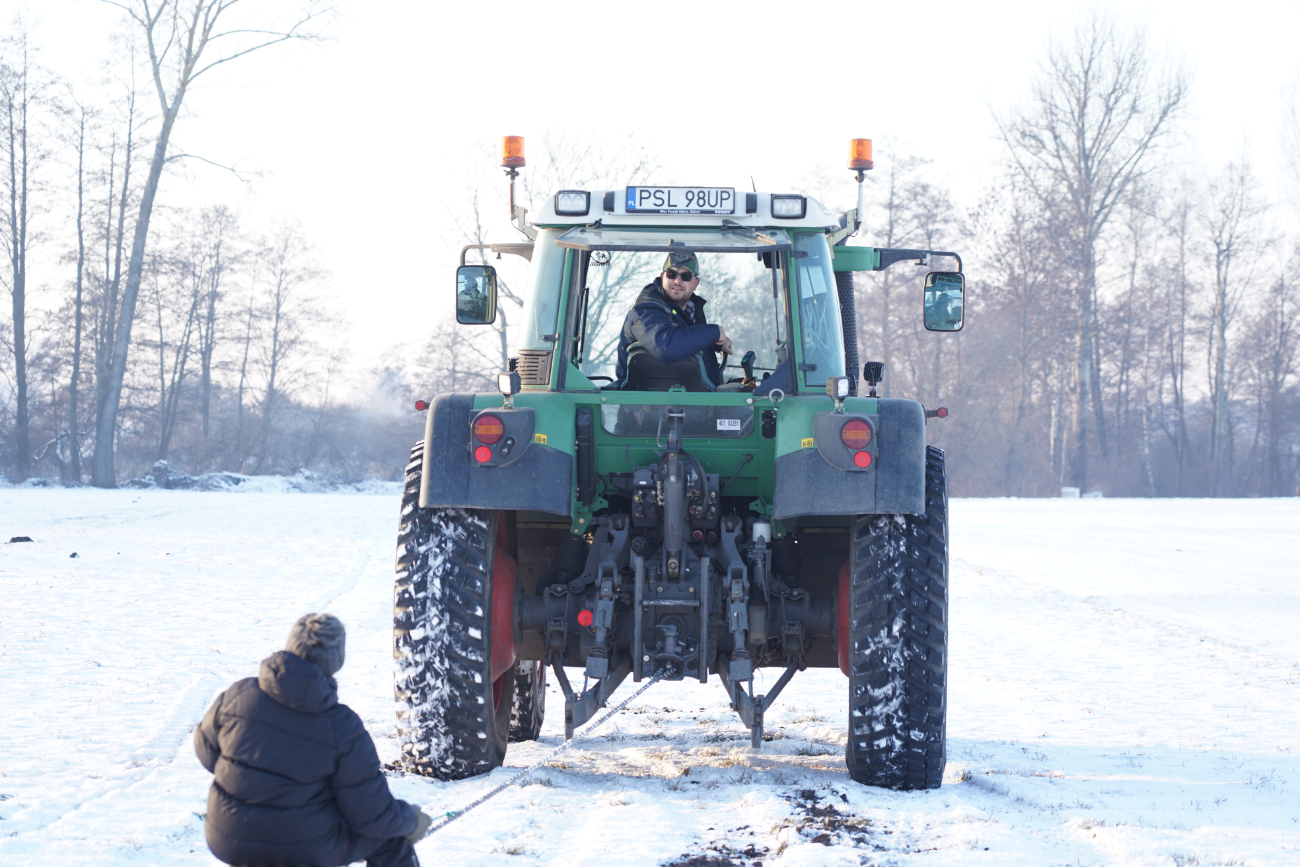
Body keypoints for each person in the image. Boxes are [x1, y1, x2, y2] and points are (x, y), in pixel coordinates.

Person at [195, 613, 432, 867]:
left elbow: (206, 751)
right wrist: (411, 820)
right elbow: (371, 816)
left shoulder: (237, 695)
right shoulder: (342, 726)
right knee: (391, 839)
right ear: (336, 661)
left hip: (227, 835)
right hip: (302, 848)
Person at [615, 251, 733, 389]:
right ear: (662, 277)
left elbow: (684, 337)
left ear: (696, 283)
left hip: (693, 402)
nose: (677, 281)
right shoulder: (645, 309)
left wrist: (715, 342)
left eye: (686, 276)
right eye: (671, 274)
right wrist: (713, 332)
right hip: (643, 406)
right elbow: (667, 347)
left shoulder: (689, 309)